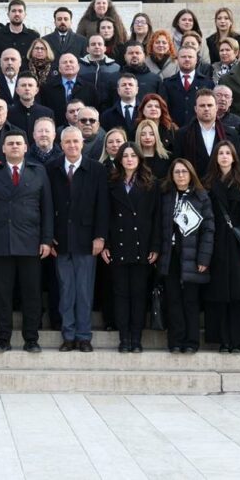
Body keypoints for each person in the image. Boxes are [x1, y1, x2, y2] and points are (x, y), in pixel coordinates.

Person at [0, 131, 54, 353]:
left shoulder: (38, 171)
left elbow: (47, 209)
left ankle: (31, 338)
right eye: (10, 143)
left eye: (18, 143)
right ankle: (3, 339)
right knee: (2, 294)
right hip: (1, 242)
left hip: (31, 243)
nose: (14, 146)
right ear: (3, 148)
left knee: (31, 294)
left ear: (25, 148)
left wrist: (47, 240)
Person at [47, 126, 108, 352]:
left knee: (84, 290)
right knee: (66, 290)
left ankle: (84, 337)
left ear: (82, 143)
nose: (72, 145)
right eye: (68, 142)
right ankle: (68, 336)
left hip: (87, 240)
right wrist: (48, 237)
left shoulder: (96, 169)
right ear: (61, 145)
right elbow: (46, 205)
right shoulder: (51, 168)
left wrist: (100, 236)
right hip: (60, 240)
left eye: (76, 141)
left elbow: (102, 205)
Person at [102, 143, 159, 353]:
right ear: (119, 159)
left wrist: (155, 246)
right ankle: (124, 338)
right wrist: (106, 243)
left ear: (139, 158)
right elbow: (105, 215)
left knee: (138, 294)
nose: (129, 159)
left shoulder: (151, 183)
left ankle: (136, 338)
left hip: (142, 245)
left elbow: (156, 217)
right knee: (120, 294)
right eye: (125, 156)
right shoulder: (111, 182)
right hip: (118, 244)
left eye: (133, 155)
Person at [203, 142, 240, 353]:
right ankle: (223, 340)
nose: (224, 156)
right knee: (219, 293)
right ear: (215, 157)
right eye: (221, 153)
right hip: (216, 243)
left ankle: (238, 340)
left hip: (238, 244)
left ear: (234, 157)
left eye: (228, 153)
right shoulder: (208, 181)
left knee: (239, 292)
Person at [157, 159, 214, 353]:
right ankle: (176, 341)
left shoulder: (201, 196)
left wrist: (204, 258)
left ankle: (191, 342)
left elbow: (208, 230)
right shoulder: (165, 196)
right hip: (170, 254)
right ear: (171, 175)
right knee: (173, 299)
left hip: (193, 254)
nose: (181, 175)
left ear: (191, 174)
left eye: (184, 172)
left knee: (190, 300)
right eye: (177, 172)